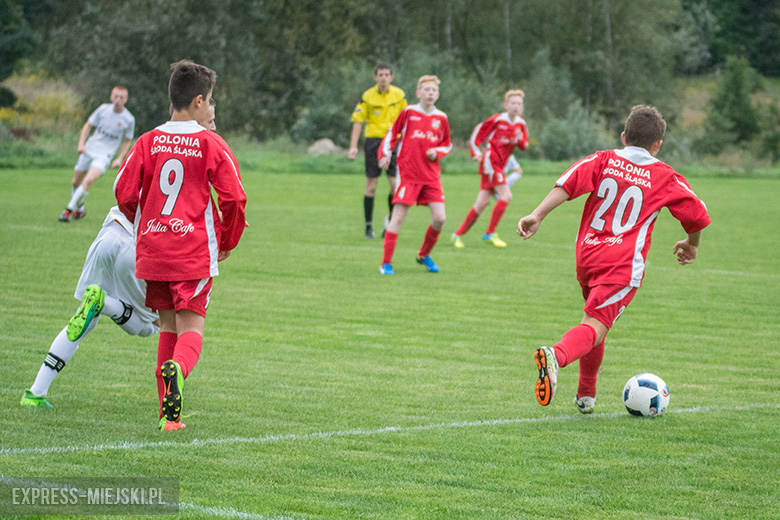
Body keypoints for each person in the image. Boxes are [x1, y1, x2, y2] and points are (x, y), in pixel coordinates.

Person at [20, 97, 221, 410]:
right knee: (154, 326)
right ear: (196, 116)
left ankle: (36, 390)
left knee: (84, 317)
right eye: (210, 122)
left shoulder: (153, 141)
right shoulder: (197, 149)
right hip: (142, 243)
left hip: (110, 230)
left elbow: (123, 187)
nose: (213, 128)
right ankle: (107, 303)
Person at [516, 105, 711, 413]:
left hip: (588, 256)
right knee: (597, 324)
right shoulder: (664, 175)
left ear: (623, 136)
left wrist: (536, 215)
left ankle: (586, 395)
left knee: (593, 321)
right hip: (621, 265)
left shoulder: (603, 159)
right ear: (658, 144)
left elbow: (566, 185)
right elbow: (697, 215)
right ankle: (557, 355)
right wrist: (692, 244)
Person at [114, 59, 247, 431]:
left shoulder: (147, 140)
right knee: (191, 331)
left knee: (167, 327)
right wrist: (226, 240)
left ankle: (168, 418)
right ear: (200, 101)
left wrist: (145, 224)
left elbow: (122, 191)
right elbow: (235, 199)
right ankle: (180, 370)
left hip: (153, 252)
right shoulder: (210, 143)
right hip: (191, 253)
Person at [378, 75, 452, 275]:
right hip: (408, 174)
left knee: (440, 218)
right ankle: (386, 263)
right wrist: (385, 155)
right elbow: (392, 134)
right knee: (398, 217)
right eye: (426, 90)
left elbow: (447, 144)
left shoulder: (441, 118)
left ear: (437, 94)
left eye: (433, 90)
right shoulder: (409, 112)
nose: (430, 93)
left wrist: (437, 152)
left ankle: (423, 255)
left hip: (431, 177)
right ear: (418, 93)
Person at [452, 90, 528, 248]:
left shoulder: (521, 124)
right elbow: (478, 133)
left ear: (522, 107)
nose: (516, 106)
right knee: (506, 196)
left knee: (481, 204)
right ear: (506, 105)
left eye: (519, 104)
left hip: (500, 165)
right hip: (491, 162)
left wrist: (520, 140)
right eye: (513, 103)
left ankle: (457, 234)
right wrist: (476, 152)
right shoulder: (498, 120)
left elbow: (524, 146)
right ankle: (490, 233)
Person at [58, 86, 135, 222]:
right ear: (111, 97)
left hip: (104, 155)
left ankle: (67, 211)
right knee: (76, 182)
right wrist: (81, 144)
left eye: (121, 97)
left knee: (88, 180)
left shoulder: (128, 119)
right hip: (90, 149)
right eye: (116, 96)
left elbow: (127, 141)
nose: (118, 100)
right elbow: (88, 125)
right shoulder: (103, 110)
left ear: (126, 99)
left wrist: (120, 158)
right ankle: (80, 208)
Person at [349, 63, 407, 239]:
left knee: (394, 185)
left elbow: (406, 121)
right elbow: (358, 121)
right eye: (380, 74)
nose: (383, 78)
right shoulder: (367, 96)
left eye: (386, 74)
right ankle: (368, 227)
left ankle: (390, 223)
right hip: (373, 142)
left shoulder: (399, 95)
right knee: (371, 186)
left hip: (393, 141)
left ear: (391, 77)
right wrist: (353, 146)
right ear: (375, 77)